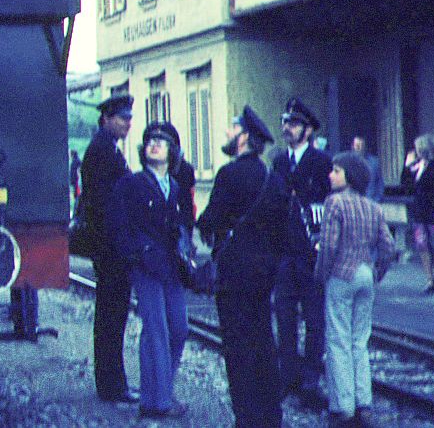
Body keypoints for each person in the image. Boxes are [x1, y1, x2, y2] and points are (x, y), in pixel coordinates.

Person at [197, 105, 288, 428]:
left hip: (234, 275)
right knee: (264, 343)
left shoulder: (228, 174)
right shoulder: (272, 178)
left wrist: (205, 223)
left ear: (244, 137)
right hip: (264, 276)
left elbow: (211, 221)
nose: (226, 132)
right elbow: (283, 231)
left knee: (238, 349)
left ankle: (247, 419)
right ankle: (271, 417)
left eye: (232, 127)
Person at [109, 122, 195, 419]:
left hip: (171, 266)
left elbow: (184, 224)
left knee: (180, 327)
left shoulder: (177, 187)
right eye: (150, 141)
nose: (154, 144)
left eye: (162, 141)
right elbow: (118, 227)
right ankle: (155, 403)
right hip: (145, 266)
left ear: (173, 150)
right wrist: (136, 253)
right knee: (155, 328)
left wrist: (187, 249)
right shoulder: (130, 184)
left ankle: (162, 390)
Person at [316, 151, 394, 427]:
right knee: (360, 341)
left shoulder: (334, 203)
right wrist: (377, 273)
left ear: (349, 176)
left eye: (336, 171)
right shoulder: (373, 207)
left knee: (338, 341)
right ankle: (365, 403)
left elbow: (328, 245)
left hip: (341, 274)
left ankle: (343, 407)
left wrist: (322, 275)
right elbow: (388, 247)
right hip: (365, 273)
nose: (330, 175)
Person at [271, 96, 332, 409]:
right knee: (284, 316)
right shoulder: (279, 162)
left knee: (314, 318)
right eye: (285, 123)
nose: (287, 128)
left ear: (308, 131)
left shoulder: (322, 163)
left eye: (293, 124)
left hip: (311, 252)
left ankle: (311, 378)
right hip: (284, 252)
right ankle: (288, 376)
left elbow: (327, 206)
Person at [76, 94, 137, 403]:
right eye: (123, 118)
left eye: (129, 118)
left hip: (107, 245)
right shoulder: (104, 151)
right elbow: (104, 205)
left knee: (111, 316)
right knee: (112, 317)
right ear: (107, 119)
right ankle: (113, 387)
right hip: (110, 247)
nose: (129, 123)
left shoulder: (104, 148)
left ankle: (113, 383)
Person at [400, 134, 434, 293]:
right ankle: (429, 278)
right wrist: (407, 167)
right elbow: (406, 186)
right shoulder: (416, 166)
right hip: (419, 211)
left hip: (433, 210)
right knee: (422, 245)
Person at [352, 135, 384, 203]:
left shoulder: (374, 163)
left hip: (371, 203)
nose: (358, 148)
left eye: (361, 145)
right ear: (353, 147)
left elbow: (380, 184)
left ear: (365, 147)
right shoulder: (349, 163)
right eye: (357, 145)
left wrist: (376, 200)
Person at [69, 150, 82, 216]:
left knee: (77, 197)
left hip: (76, 184)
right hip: (77, 183)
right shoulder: (79, 161)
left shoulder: (74, 163)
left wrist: (72, 182)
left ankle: (76, 213)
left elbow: (73, 174)